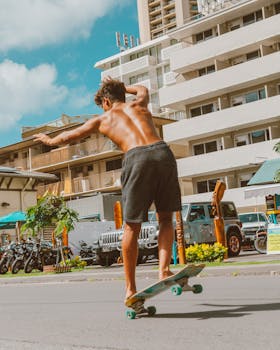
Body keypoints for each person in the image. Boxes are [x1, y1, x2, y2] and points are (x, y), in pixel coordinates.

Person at [34, 77, 181, 305]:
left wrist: (50, 140)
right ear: (122, 95)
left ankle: (130, 289)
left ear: (105, 102)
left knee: (132, 224)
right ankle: (164, 269)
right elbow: (142, 88)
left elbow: (70, 136)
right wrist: (123, 87)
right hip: (163, 153)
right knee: (165, 218)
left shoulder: (103, 119)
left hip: (138, 158)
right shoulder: (139, 104)